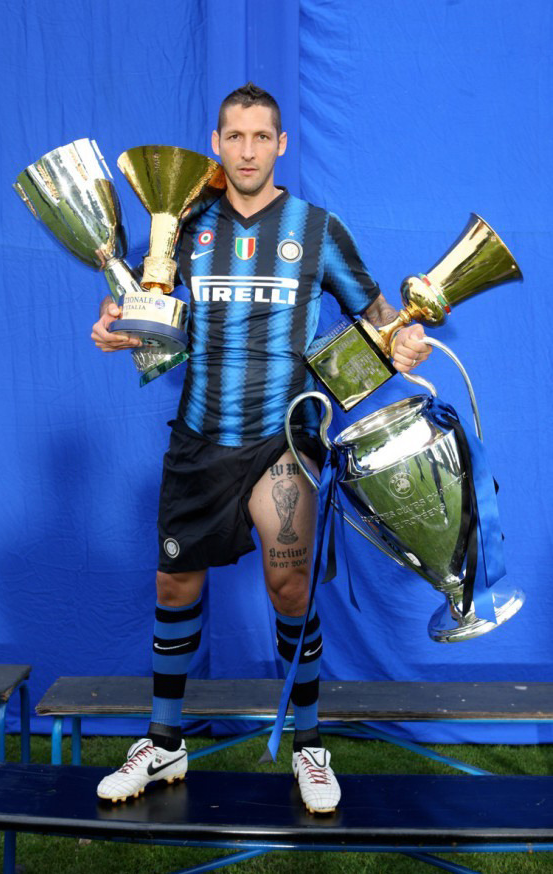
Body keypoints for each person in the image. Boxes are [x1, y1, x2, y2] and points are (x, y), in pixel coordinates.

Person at [91, 83, 430, 814]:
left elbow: (375, 312)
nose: (247, 151)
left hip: (284, 441)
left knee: (290, 589)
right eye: (235, 137)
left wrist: (401, 336)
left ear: (281, 145)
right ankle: (165, 740)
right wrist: (115, 323)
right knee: (174, 585)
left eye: (261, 137)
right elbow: (147, 306)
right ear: (216, 144)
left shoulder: (316, 229)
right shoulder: (183, 221)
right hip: (200, 436)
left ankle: (309, 745)